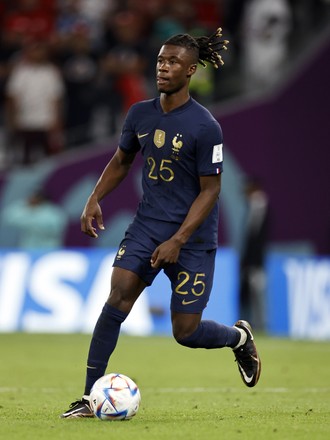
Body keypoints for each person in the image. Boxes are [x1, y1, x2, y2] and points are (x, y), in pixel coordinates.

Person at [61, 28, 261, 419]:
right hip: (147, 226)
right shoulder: (140, 113)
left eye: (173, 63)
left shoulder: (206, 127)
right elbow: (121, 161)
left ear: (190, 72)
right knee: (117, 295)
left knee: (186, 332)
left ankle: (239, 338)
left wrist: (179, 240)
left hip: (192, 240)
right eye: (160, 61)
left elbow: (211, 191)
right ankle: (89, 397)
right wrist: (94, 198)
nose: (164, 68)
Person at [239, 177, 270, 331]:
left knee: (258, 293)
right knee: (250, 294)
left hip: (256, 261)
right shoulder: (251, 206)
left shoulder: (260, 205)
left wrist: (252, 261)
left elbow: (257, 239)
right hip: (251, 261)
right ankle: (255, 324)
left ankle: (262, 325)